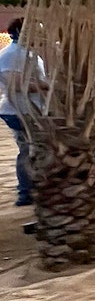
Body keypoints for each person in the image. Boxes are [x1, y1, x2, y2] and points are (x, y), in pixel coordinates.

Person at [0, 18, 46, 206]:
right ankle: (26, 192)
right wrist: (48, 86)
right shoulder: (12, 54)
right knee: (28, 150)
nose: (41, 35)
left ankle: (33, 188)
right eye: (37, 31)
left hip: (30, 109)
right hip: (19, 110)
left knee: (35, 149)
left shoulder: (27, 53)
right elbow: (16, 84)